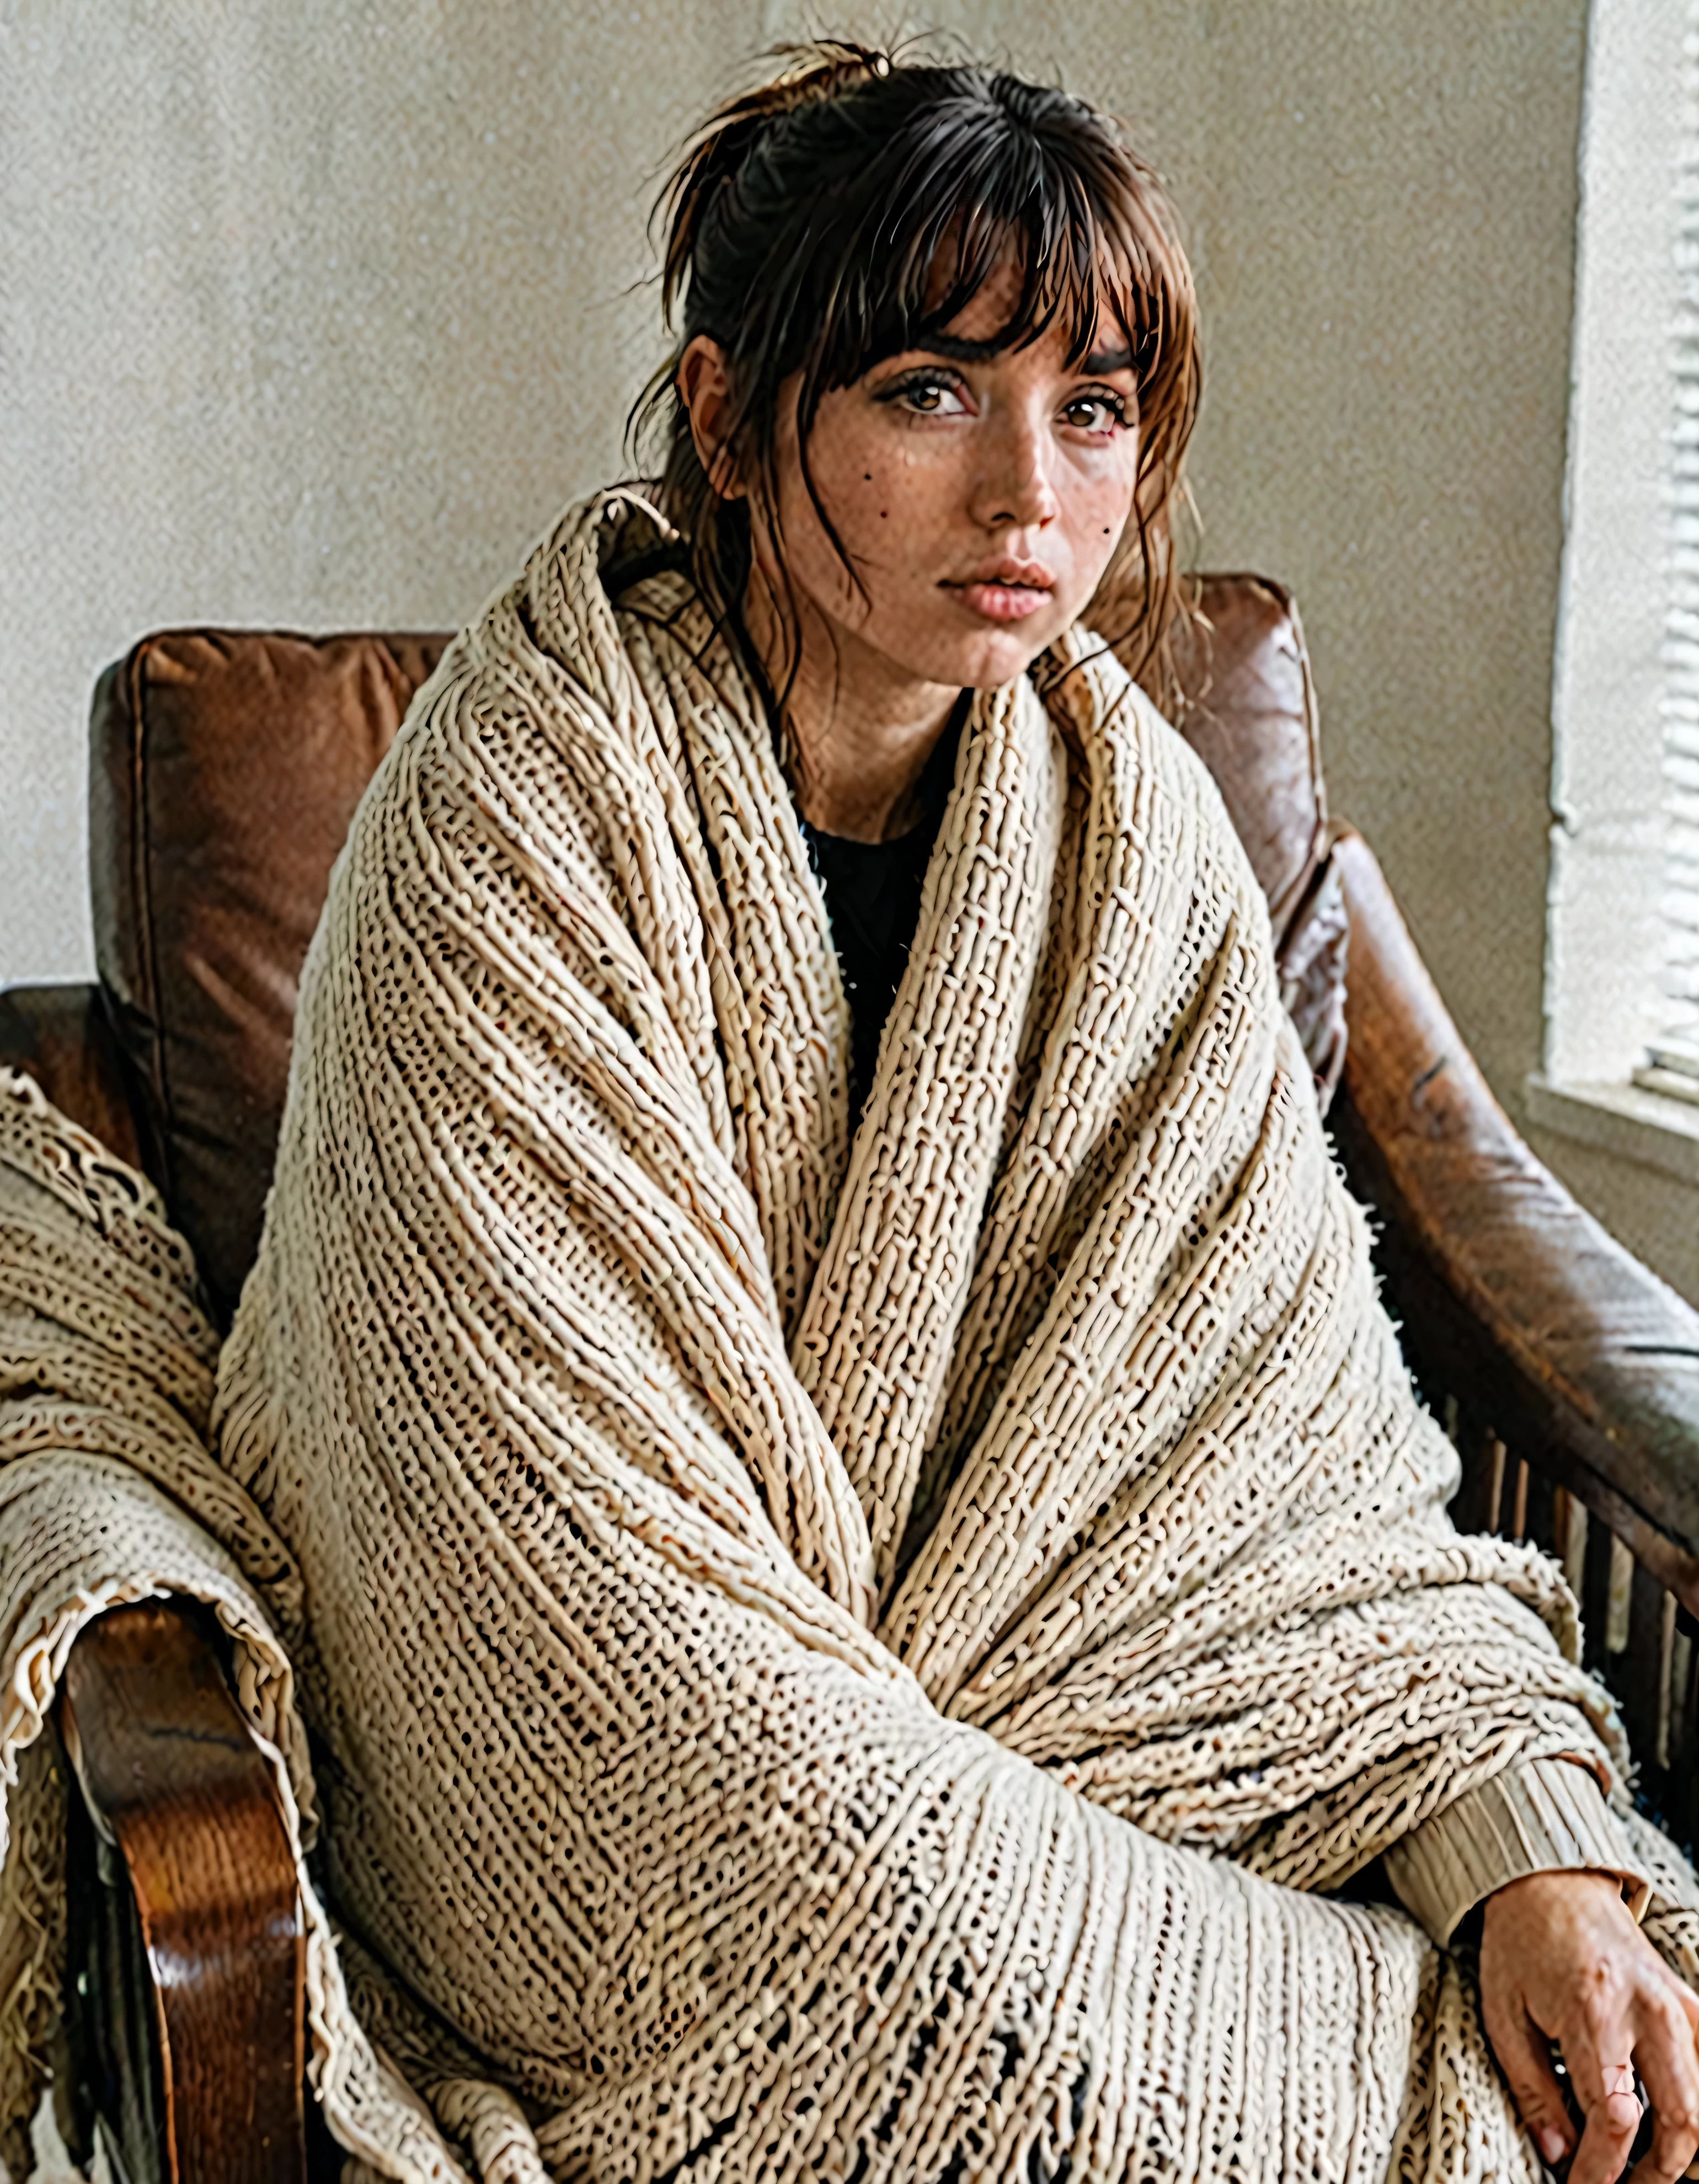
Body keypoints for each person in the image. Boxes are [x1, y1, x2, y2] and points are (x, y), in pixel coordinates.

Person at [3, 40, 1698, 2184]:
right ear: (726, 417)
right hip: (637, 1791)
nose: (1028, 498)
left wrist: (1521, 1847)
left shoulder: (1134, 841)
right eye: (925, 393)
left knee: (1583, 2035)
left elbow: (1302, 1499)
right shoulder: (507, 826)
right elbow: (529, 1570)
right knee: (1404, 2095)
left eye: (1087, 408)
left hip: (1090, 1766)